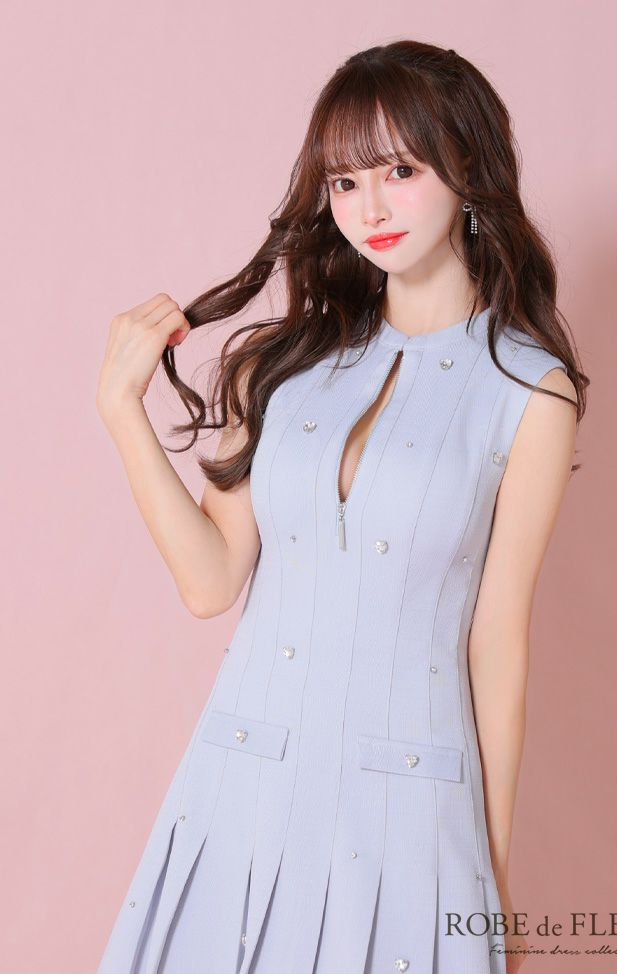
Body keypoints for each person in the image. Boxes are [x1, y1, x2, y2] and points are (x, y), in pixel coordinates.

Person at [95, 39, 587, 974]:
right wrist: (122, 410)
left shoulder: (528, 392)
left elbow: (497, 641)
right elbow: (211, 582)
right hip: (242, 781)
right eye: (345, 182)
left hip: (409, 803)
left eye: (400, 171)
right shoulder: (278, 369)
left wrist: (492, 880)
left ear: (469, 168)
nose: (371, 210)